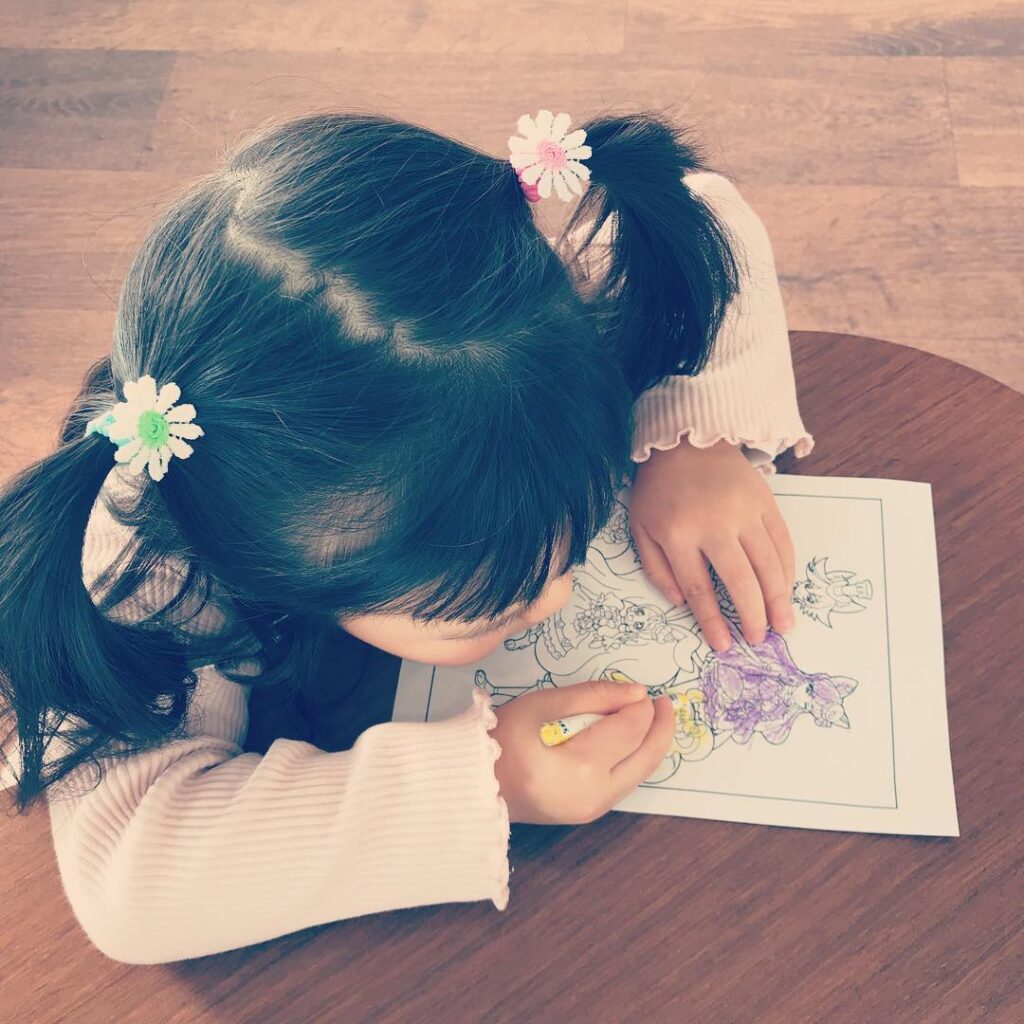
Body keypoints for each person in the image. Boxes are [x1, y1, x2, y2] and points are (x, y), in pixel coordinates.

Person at [0, 107, 813, 964]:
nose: (558, 597)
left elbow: (700, 205)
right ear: (283, 569)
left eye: (566, 546)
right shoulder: (142, 570)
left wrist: (693, 437)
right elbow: (134, 888)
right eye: (490, 605)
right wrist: (487, 781)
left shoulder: (500, 329)